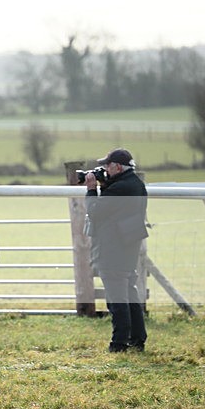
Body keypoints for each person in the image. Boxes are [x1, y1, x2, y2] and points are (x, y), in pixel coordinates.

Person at [84, 148, 149, 352]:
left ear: (118, 166)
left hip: (113, 248)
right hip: (127, 246)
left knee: (116, 299)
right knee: (129, 295)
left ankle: (119, 343)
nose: (104, 169)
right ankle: (137, 339)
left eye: (107, 165)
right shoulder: (135, 184)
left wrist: (92, 189)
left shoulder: (120, 188)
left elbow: (95, 211)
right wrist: (106, 183)